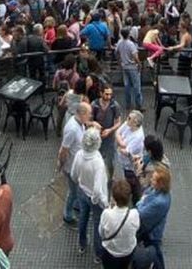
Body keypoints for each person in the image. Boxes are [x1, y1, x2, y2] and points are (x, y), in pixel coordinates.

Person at [73, 127, 109, 260]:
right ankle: (98, 254)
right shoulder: (98, 163)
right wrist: (101, 202)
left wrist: (81, 184)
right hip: (95, 198)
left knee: (83, 217)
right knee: (97, 225)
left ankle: (82, 245)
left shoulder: (78, 155)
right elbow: (98, 189)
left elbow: (73, 174)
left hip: (81, 191)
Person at [58, 101, 90, 225]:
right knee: (73, 191)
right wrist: (61, 164)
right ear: (81, 114)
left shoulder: (79, 122)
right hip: (71, 167)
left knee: (77, 189)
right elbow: (64, 150)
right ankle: (68, 214)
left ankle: (76, 205)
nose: (90, 116)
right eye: (88, 114)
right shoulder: (72, 129)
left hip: (77, 165)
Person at [133, 166, 171, 269]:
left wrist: (141, 202)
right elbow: (145, 194)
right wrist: (143, 200)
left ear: (161, 184)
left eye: (154, 179)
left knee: (155, 253)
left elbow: (140, 212)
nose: (151, 180)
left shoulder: (160, 202)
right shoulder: (157, 190)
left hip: (152, 234)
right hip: (151, 229)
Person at [99, 178, 139, 269]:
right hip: (127, 251)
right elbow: (136, 228)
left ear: (113, 198)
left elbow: (101, 232)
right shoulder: (134, 214)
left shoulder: (107, 214)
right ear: (129, 198)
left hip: (111, 252)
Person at [92, 83, 122, 178]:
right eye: (106, 94)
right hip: (97, 138)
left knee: (110, 162)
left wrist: (110, 130)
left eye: (110, 94)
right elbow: (88, 120)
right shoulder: (94, 105)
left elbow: (118, 122)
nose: (109, 96)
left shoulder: (114, 106)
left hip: (110, 139)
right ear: (101, 93)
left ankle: (110, 176)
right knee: (96, 159)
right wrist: (93, 124)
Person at [115, 110, 146, 202]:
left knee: (133, 183)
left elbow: (125, 151)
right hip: (124, 163)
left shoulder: (138, 137)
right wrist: (121, 143)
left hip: (131, 167)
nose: (126, 119)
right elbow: (117, 132)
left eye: (129, 118)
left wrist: (120, 145)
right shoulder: (128, 124)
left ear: (135, 122)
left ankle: (135, 200)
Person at [115, 28, 143, 111]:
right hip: (132, 67)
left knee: (127, 86)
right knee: (137, 86)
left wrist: (119, 62)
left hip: (124, 67)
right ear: (128, 34)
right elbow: (135, 56)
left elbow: (116, 53)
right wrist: (139, 64)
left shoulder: (119, 42)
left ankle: (128, 104)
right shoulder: (131, 44)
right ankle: (138, 105)